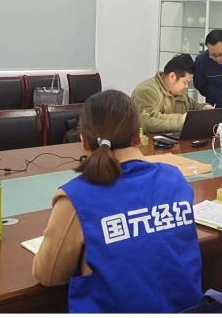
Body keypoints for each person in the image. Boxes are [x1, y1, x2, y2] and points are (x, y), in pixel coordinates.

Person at [33, 90, 201, 313]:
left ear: (83, 141)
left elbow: (49, 275)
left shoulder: (76, 197)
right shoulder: (174, 177)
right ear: (137, 136)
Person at [131, 53, 214, 133]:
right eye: (185, 82)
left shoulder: (179, 93)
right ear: (172, 76)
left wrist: (204, 108)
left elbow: (193, 106)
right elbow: (148, 121)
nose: (186, 86)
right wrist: (183, 120)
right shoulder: (147, 91)